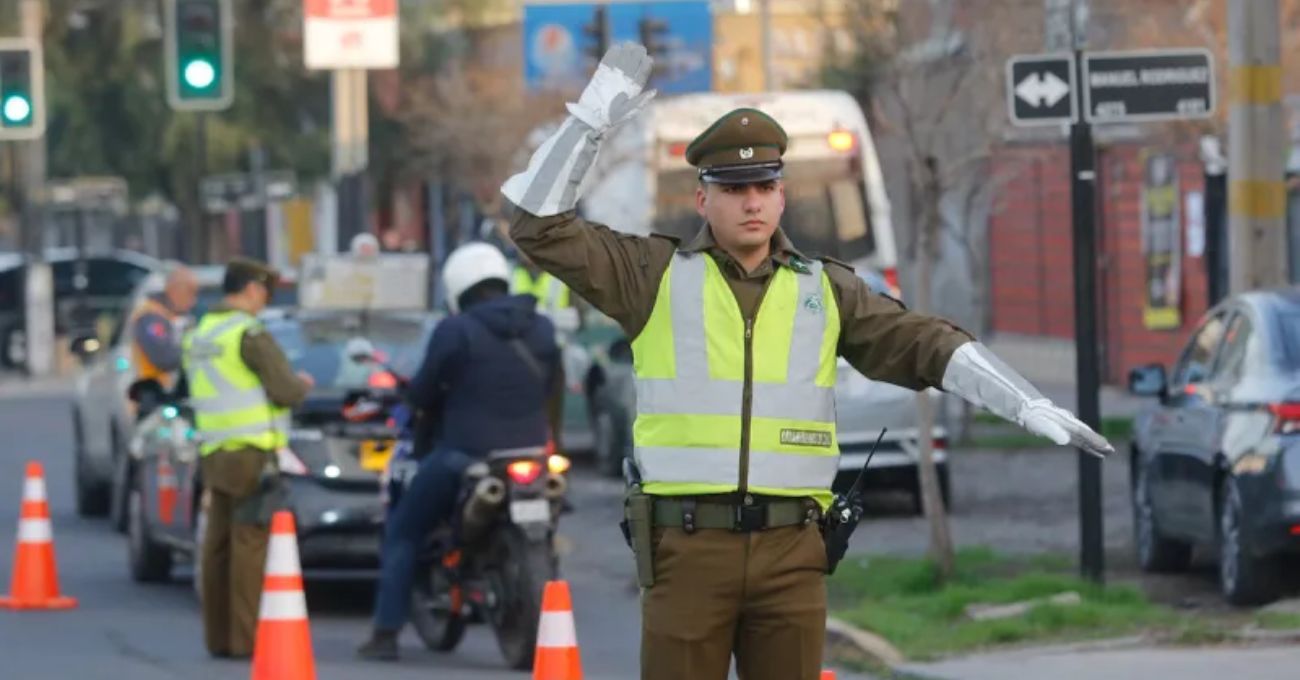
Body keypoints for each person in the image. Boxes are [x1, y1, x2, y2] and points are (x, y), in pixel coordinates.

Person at [500, 43, 1114, 680]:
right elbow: (535, 225)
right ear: (703, 199)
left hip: (793, 553)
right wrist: (592, 118)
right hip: (688, 550)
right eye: (734, 188)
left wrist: (1023, 400)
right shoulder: (653, 275)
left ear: (783, 196)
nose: (752, 202)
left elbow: (923, 342)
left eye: (765, 185)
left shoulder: (825, 288)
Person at [357, 241, 563, 661]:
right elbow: (553, 387)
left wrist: (413, 405)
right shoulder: (541, 327)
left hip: (464, 455)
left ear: (457, 289)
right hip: (535, 454)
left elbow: (425, 390)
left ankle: (385, 634)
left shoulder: (455, 330)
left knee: (403, 530)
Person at [182, 258, 313, 659]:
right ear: (252, 289)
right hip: (251, 452)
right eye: (265, 293)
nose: (265, 301)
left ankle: (218, 638)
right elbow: (285, 390)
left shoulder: (200, 333)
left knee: (216, 546)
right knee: (249, 543)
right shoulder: (249, 333)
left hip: (214, 450)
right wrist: (302, 383)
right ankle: (246, 639)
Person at [127, 264, 198, 417]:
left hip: (176, 398)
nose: (193, 301)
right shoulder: (151, 317)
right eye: (190, 293)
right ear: (174, 289)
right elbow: (164, 357)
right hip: (153, 398)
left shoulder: (177, 318)